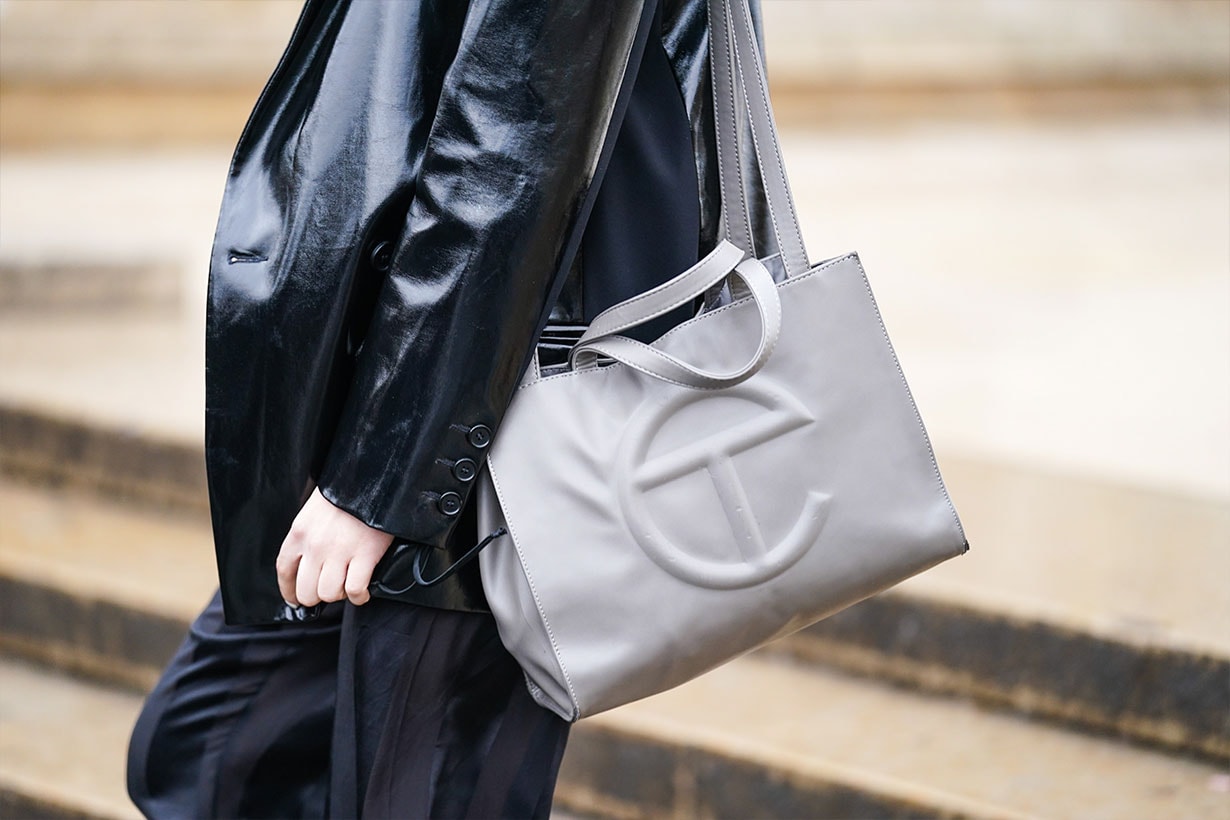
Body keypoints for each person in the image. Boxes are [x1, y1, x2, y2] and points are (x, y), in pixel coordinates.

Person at [126, 0, 776, 817]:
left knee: (347, 780)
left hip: (491, 437)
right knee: (204, 759)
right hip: (394, 389)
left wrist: (384, 480)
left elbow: (509, 149)